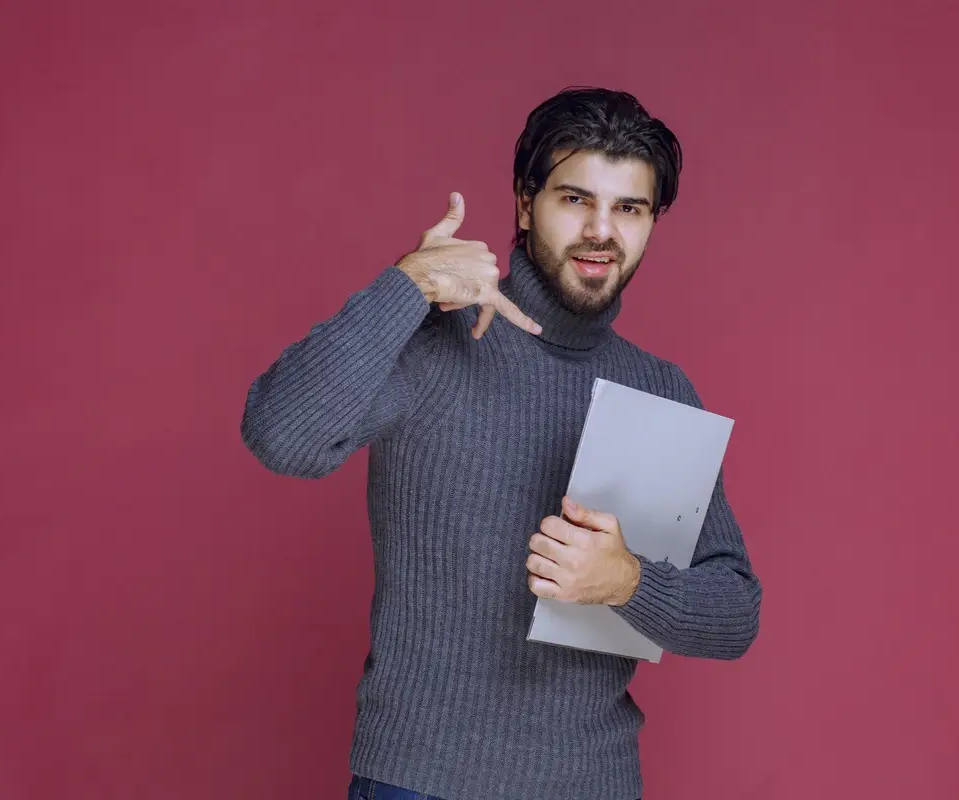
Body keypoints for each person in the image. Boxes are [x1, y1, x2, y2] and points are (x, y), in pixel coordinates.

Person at [240, 87, 761, 800]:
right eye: (576, 199)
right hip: (420, 783)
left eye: (629, 208)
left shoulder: (660, 389)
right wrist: (408, 284)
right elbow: (279, 435)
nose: (601, 231)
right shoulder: (432, 346)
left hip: (594, 784)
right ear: (524, 204)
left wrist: (629, 582)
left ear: (651, 223)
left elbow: (734, 612)